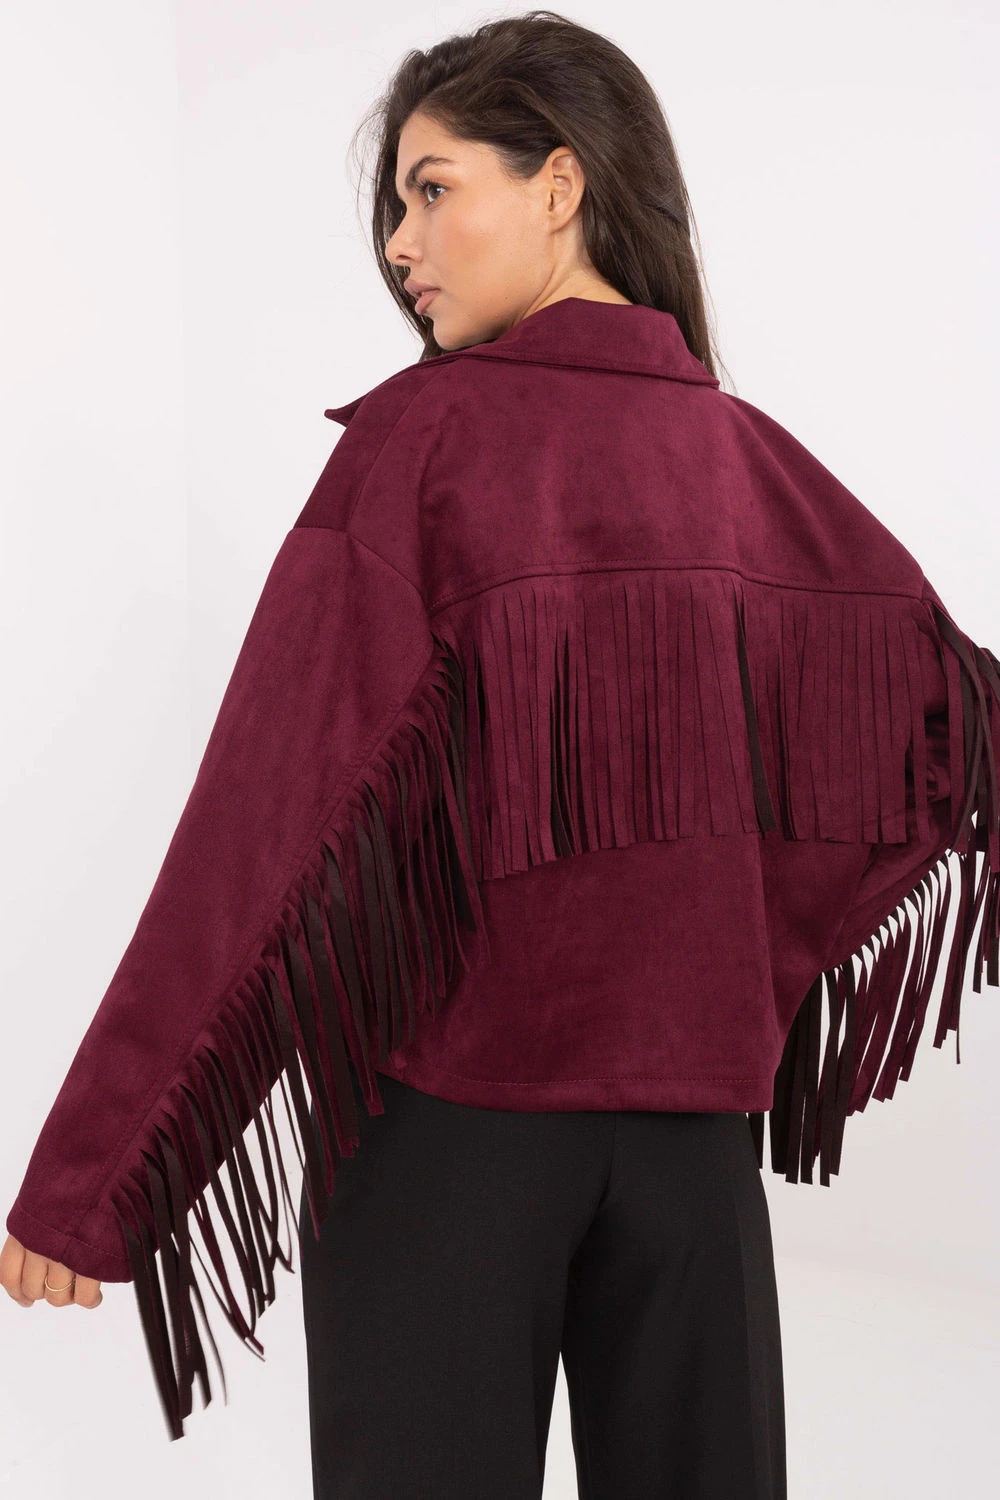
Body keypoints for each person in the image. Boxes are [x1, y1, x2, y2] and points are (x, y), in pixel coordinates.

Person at [3, 11, 997, 1499]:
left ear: (562, 182)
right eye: (393, 206)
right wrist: (740, 968)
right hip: (695, 1165)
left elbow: (266, 821)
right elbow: (943, 735)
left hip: (450, 1140)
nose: (399, 244)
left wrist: (101, 1167)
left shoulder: (424, 444)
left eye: (432, 188)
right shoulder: (759, 467)